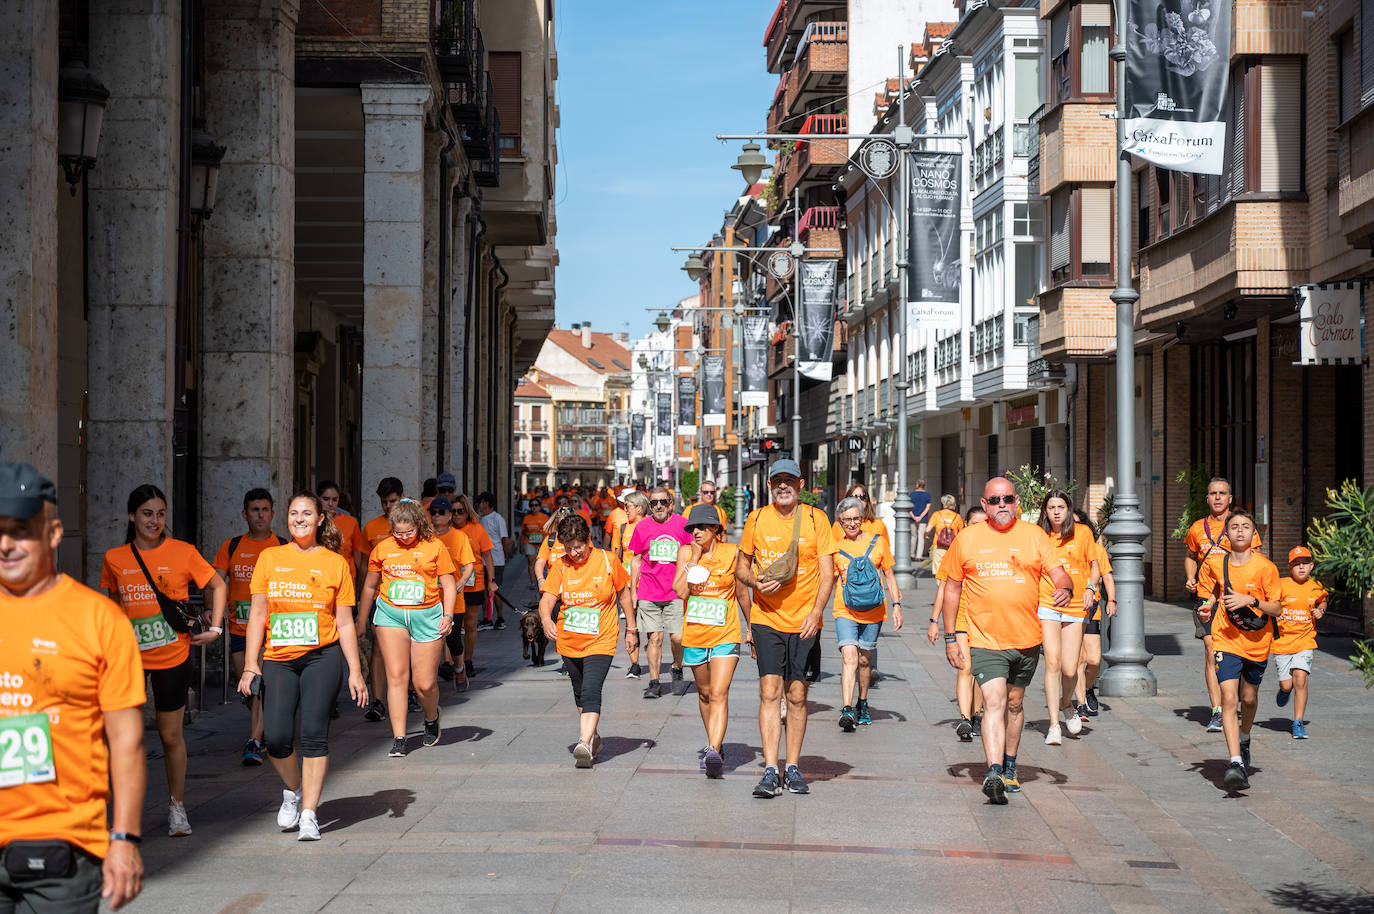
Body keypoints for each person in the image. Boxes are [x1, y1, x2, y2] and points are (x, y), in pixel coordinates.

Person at [0, 463, 146, 912]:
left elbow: (127, 740)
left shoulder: (98, 619)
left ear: (54, 533)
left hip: (63, 847)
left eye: (21, 531)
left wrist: (124, 838)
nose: (6, 544)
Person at [238, 491, 368, 840]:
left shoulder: (336, 563)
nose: (300, 519)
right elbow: (258, 615)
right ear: (287, 518)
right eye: (294, 513)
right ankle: (293, 791)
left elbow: (344, 623)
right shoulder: (269, 557)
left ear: (320, 519)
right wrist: (251, 664)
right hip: (278, 659)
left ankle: (309, 812)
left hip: (322, 657)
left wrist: (355, 671)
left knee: (314, 735)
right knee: (277, 739)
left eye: (307, 513)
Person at [102, 484, 226, 836]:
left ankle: (176, 808)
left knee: (171, 736)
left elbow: (218, 585)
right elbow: (113, 606)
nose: (154, 521)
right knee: (126, 739)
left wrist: (216, 628)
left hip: (173, 656)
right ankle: (123, 818)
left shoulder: (183, 552)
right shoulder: (115, 557)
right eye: (147, 513)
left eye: (160, 514)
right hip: (129, 661)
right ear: (132, 516)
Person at [939, 477, 1071, 804]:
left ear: (1017, 503)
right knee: (994, 701)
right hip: (984, 639)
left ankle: (1011, 765)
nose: (1002, 505)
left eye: (1008, 499)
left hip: (1026, 639)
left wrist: (1065, 587)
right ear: (984, 505)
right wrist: (950, 636)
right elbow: (951, 589)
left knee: (1015, 704)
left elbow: (1059, 574)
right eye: (995, 500)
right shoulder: (967, 539)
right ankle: (994, 771)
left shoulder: (1034, 536)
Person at [736, 459, 836, 798]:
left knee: (797, 694)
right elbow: (741, 567)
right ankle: (769, 768)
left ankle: (792, 767)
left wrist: (817, 612)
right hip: (767, 620)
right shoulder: (757, 518)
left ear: (800, 485)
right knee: (769, 693)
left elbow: (828, 573)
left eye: (789, 481)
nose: (783, 486)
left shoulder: (816, 519)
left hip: (805, 622)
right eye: (777, 480)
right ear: (769, 486)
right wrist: (753, 582)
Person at [357, 499, 458, 758]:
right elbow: (370, 586)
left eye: (408, 532)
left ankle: (431, 715)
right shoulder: (383, 549)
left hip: (427, 616)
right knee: (397, 676)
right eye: (398, 532)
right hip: (391, 616)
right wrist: (361, 619)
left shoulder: (434, 546)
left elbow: (448, 585)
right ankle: (399, 737)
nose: (403, 537)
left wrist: (448, 616)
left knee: (424, 684)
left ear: (419, 525)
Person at [538, 514, 636, 767]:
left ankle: (583, 742)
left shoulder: (608, 560)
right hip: (569, 639)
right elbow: (547, 599)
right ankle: (593, 737)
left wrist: (632, 629)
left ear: (588, 540)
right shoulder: (561, 565)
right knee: (580, 693)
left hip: (601, 638)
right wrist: (547, 620)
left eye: (578, 547)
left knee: (592, 689)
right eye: (568, 548)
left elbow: (624, 595)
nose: (574, 553)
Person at [1195, 510, 1281, 790]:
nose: (1240, 531)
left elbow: (1277, 608)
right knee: (1229, 699)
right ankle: (1235, 762)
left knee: (1249, 698)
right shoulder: (1216, 564)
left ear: (1254, 534)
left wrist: (1252, 600)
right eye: (1234, 527)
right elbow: (1210, 594)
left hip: (1257, 640)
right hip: (1225, 637)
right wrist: (1206, 608)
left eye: (1246, 526)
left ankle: (1245, 738)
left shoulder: (1266, 567)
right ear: (1227, 534)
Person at [672, 505, 749, 777]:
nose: (696, 532)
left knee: (718, 692)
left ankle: (714, 749)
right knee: (704, 694)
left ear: (716, 529)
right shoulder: (685, 553)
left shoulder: (732, 553)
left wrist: (751, 626)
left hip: (725, 634)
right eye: (692, 528)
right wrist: (693, 557)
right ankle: (712, 743)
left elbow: (741, 593)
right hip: (694, 634)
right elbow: (681, 592)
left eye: (702, 528)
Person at [211, 488, 286, 766]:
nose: (260, 515)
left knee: (261, 684)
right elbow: (215, 582)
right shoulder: (231, 546)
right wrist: (211, 610)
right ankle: (263, 730)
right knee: (249, 689)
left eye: (265, 510)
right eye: (255, 510)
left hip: (271, 629)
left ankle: (254, 740)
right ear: (245, 514)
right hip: (238, 629)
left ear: (272, 514)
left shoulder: (281, 545)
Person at [1183, 477, 1262, 733]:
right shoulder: (1197, 528)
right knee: (1210, 650)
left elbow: (1256, 558)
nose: (1217, 497)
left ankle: (1231, 698)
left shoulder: (1241, 526)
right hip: (1206, 597)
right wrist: (1191, 577)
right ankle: (1217, 710)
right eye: (1213, 493)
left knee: (1234, 653)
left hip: (1234, 598)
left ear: (1230, 498)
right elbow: (1190, 556)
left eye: (1222, 493)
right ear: (1207, 498)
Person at [831, 496, 901, 731]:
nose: (852, 523)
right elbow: (826, 580)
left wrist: (896, 605)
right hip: (845, 609)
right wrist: (815, 609)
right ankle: (847, 708)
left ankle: (862, 701)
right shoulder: (835, 547)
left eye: (856, 518)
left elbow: (889, 575)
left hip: (873, 610)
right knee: (849, 656)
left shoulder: (878, 542)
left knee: (864, 659)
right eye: (846, 520)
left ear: (863, 519)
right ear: (839, 522)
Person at [1037, 490, 1100, 747]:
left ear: (1068, 508)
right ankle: (1053, 724)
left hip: (1075, 606)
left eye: (1060, 506)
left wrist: (1090, 589)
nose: (1056, 512)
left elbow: (1094, 566)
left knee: (1070, 667)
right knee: (1052, 662)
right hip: (1047, 603)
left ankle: (1067, 704)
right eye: (1051, 507)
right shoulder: (1039, 536)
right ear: (1045, 511)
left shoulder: (1083, 533)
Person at [927, 506, 987, 740]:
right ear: (965, 525)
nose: (978, 528)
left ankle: (976, 713)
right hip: (962, 615)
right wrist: (934, 621)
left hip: (986, 618)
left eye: (983, 523)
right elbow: (943, 588)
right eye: (974, 523)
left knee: (981, 672)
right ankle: (964, 718)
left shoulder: (993, 549)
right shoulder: (958, 548)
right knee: (966, 667)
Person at [627, 486, 692, 698]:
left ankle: (676, 666)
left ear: (670, 503)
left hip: (675, 591)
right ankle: (654, 682)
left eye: (662, 502)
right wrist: (633, 590)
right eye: (653, 503)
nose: (658, 506)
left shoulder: (683, 525)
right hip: (649, 591)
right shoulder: (642, 527)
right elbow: (636, 560)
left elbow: (693, 553)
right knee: (654, 637)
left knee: (678, 637)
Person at [1272, 546, 1326, 739]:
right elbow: (1270, 603)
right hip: (1282, 643)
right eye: (1296, 564)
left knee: (1301, 680)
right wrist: (1274, 615)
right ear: (1289, 567)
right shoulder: (1281, 585)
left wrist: (1321, 610)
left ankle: (1298, 722)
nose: (1301, 567)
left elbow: (1322, 600)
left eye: (1305, 564)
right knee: (1287, 685)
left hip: (1305, 641)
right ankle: (1284, 691)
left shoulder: (1316, 586)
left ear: (1311, 566)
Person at [428, 497, 476, 688]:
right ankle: (427, 682)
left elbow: (469, 564)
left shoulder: (459, 537)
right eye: (433, 512)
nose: (437, 516)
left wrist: (462, 581)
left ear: (449, 516)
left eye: (441, 512)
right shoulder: (426, 538)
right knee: (430, 642)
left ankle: (459, 668)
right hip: (429, 600)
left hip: (453, 600)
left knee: (453, 640)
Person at [1073, 510, 1116, 718]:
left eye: (1078, 524)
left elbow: (1106, 576)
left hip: (1092, 608)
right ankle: (1081, 703)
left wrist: (1112, 600)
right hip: (1070, 608)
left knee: (1094, 660)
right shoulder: (1061, 547)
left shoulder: (1097, 550)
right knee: (1078, 659)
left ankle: (1088, 688)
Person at [452, 495, 496, 679]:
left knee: (470, 625)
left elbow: (487, 557)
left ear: (467, 512)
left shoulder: (477, 530)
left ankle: (468, 661)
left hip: (473, 584)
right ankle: (453, 662)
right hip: (451, 586)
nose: (456, 515)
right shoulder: (446, 531)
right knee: (452, 628)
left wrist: (491, 580)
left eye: (460, 511)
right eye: (453, 512)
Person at [613, 490, 650, 678]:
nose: (624, 510)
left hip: (650, 585)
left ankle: (656, 663)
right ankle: (634, 664)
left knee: (653, 630)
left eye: (627, 506)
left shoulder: (653, 526)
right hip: (628, 586)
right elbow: (616, 556)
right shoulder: (621, 528)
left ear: (639, 507)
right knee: (631, 625)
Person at [476, 492, 511, 630]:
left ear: (486, 503)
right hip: (482, 561)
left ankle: (500, 617)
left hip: (496, 560)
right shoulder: (479, 519)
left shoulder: (498, 518)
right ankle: (487, 619)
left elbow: (505, 539)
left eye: (479, 502)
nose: (478, 505)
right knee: (485, 591)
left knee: (494, 590)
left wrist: (504, 555)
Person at [318, 480, 367, 577]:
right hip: (320, 577)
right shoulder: (312, 522)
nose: (330, 504)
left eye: (335, 500)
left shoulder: (351, 522)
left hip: (346, 579)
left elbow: (359, 559)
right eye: (326, 499)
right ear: (318, 499)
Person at [363, 477, 406, 549]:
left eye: (392, 501)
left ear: (402, 497)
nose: (388, 506)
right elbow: (365, 559)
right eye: (384, 502)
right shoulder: (370, 527)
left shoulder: (414, 524)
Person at [927, 495, 963, 574]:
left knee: (937, 571)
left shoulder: (937, 514)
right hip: (952, 546)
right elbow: (962, 533)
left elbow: (928, 529)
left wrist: (926, 536)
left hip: (938, 545)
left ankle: (940, 586)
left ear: (943, 503)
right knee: (949, 570)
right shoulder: (957, 517)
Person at [519, 500, 550, 589]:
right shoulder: (526, 518)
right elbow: (523, 532)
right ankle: (532, 581)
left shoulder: (544, 517)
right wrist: (521, 545)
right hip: (529, 542)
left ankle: (542, 579)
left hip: (542, 544)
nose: (534, 507)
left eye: (536, 505)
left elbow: (548, 531)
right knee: (530, 561)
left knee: (542, 562)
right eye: (532, 505)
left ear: (540, 507)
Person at [910, 479, 932, 561]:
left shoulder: (911, 495)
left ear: (917, 485)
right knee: (921, 537)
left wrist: (914, 517)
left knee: (913, 536)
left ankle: (912, 554)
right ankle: (919, 556)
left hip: (912, 519)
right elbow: (927, 508)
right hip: (923, 519)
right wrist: (920, 517)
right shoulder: (927, 495)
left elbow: (909, 508)